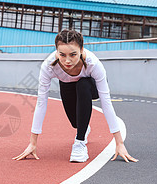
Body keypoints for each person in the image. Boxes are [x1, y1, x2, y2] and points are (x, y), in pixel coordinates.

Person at [13, 29, 138, 163]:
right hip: (67, 85)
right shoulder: (48, 66)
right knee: (75, 123)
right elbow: (41, 103)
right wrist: (33, 143)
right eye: (62, 55)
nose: (67, 60)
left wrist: (119, 143)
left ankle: (79, 143)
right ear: (56, 52)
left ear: (81, 50)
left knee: (82, 84)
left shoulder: (93, 64)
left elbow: (106, 102)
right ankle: (84, 129)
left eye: (73, 55)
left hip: (90, 87)